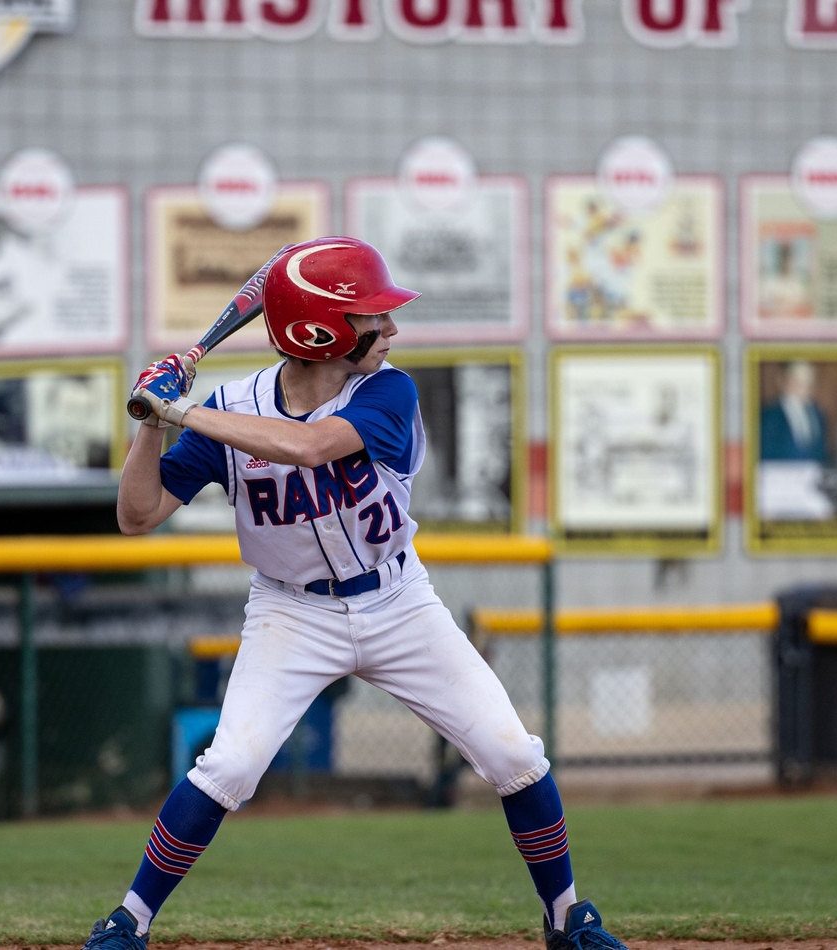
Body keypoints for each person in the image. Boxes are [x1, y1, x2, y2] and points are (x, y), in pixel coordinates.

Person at [91, 237, 629, 950]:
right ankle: (128, 921)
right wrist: (149, 426)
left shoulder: (387, 390)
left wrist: (181, 411)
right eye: (373, 317)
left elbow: (310, 446)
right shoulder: (230, 408)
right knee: (229, 766)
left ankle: (566, 920)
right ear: (321, 332)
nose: (391, 329)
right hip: (291, 611)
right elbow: (137, 515)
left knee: (513, 755)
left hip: (398, 602)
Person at [759, 360, 826, 462]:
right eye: (797, 379)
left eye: (808, 379)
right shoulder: (768, 416)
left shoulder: (818, 414)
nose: (804, 385)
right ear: (783, 380)